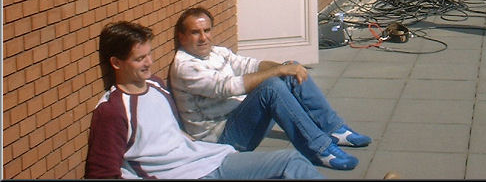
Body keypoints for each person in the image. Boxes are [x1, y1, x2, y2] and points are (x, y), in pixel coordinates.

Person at [85, 21, 322, 179]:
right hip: (185, 174)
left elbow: (172, 129)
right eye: (139, 59)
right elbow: (102, 172)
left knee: (292, 160)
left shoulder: (156, 85)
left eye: (149, 54)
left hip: (204, 157)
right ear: (116, 63)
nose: (149, 63)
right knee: (288, 162)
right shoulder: (114, 110)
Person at [169, 7, 371, 171]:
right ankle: (319, 149)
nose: (203, 38)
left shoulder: (216, 52)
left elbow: (248, 64)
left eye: (207, 31)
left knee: (288, 69)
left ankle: (333, 129)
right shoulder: (186, 67)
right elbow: (228, 87)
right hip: (221, 139)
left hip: (238, 120)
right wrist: (279, 71)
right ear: (182, 36)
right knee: (272, 86)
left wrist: (287, 68)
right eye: (195, 32)